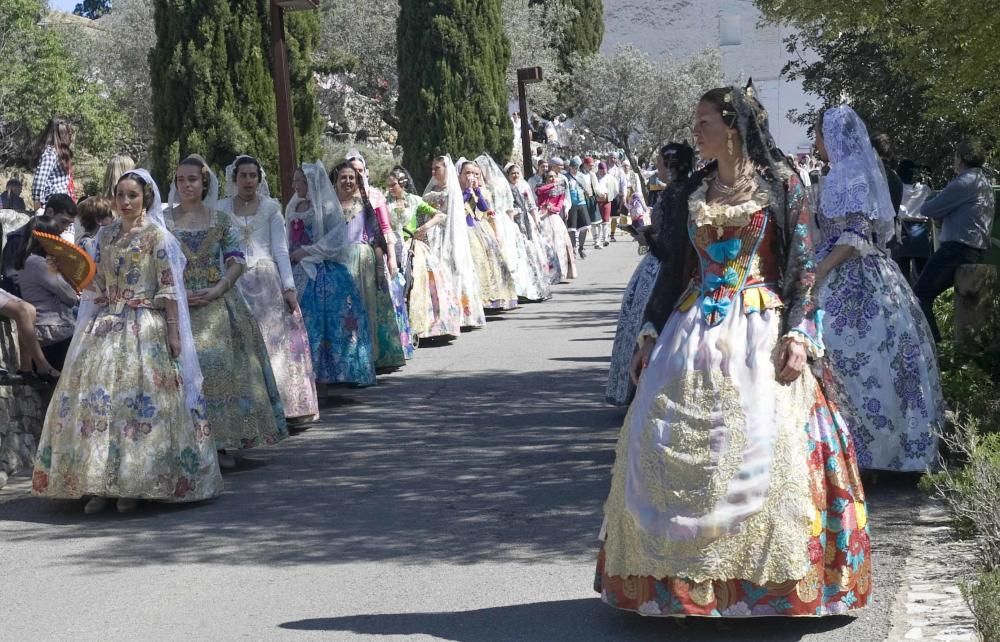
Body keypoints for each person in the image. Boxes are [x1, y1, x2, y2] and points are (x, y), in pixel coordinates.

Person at [595, 85, 870, 617]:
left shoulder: (782, 186)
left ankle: (763, 590)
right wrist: (649, 332)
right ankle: (679, 590)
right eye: (695, 123)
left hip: (761, 328)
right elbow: (674, 268)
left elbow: (804, 268)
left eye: (704, 122)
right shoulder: (691, 191)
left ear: (734, 127)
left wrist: (800, 334)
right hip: (690, 330)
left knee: (771, 442)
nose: (695, 132)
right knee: (656, 438)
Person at [31, 169, 223, 514]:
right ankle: (98, 485)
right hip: (106, 325)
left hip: (144, 326)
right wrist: (64, 267)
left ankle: (134, 484)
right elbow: (95, 282)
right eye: (120, 195)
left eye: (132, 195)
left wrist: (174, 332)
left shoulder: (157, 238)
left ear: (145, 198)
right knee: (98, 404)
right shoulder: (105, 237)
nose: (125, 201)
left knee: (136, 406)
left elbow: (167, 287)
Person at [814, 105, 943, 472]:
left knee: (848, 353)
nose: (816, 142)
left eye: (818, 135)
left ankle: (861, 452)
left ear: (832, 136)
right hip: (868, 271)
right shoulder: (848, 171)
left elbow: (855, 234)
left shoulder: (847, 174)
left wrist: (819, 270)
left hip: (850, 274)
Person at [165, 154, 286, 469]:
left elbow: (237, 259)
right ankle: (187, 442)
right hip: (179, 303)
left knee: (220, 367)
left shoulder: (219, 220)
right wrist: (175, 293)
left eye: (192, 179)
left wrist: (220, 287)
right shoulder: (164, 221)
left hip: (217, 301)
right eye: (180, 180)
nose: (186, 185)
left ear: (204, 182)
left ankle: (223, 441)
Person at [219, 155, 320, 423]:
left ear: (259, 179)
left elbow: (280, 250)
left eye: (253, 175)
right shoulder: (221, 210)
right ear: (234, 179)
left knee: (275, 345)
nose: (249, 181)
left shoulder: (271, 209)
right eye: (244, 176)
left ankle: (286, 407)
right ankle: (251, 410)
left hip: (266, 284)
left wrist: (288, 286)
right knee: (243, 347)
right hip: (234, 282)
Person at [605, 142, 694, 408]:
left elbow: (674, 242)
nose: (657, 166)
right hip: (655, 266)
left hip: (664, 269)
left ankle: (643, 390)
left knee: (647, 321)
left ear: (670, 163)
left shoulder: (678, 194)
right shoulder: (680, 192)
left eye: (660, 161)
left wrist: (648, 236)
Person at [286, 162, 375, 387]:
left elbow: (336, 237)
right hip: (298, 268)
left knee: (329, 319)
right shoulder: (293, 206)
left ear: (311, 182)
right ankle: (309, 375)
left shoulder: (326, 206)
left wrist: (308, 251)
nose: (296, 185)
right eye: (295, 180)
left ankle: (337, 371)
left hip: (322, 270)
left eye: (300, 181)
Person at [915, 138, 996, 342]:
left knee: (919, 296)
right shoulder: (983, 181)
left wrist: (936, 209)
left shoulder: (965, 181)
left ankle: (935, 347)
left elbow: (928, 208)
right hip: (973, 248)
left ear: (961, 158)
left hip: (956, 249)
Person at [333, 161, 408, 369]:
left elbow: (376, 236)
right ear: (336, 181)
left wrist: (380, 268)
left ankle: (368, 356)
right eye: (343, 178)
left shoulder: (364, 203)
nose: (348, 181)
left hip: (362, 261)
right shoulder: (329, 206)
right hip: (338, 262)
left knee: (365, 310)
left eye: (352, 177)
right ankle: (347, 358)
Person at [385, 166, 462, 340]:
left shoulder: (414, 201)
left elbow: (440, 215)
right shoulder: (385, 202)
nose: (390, 188)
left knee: (419, 281)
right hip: (393, 245)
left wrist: (424, 227)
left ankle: (424, 325)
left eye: (393, 185)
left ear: (402, 184)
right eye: (388, 185)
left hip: (411, 245)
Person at [476, 154, 550, 302]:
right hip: (497, 220)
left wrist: (510, 224)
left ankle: (518, 290)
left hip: (501, 221)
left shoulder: (496, 185)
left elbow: (509, 206)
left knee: (511, 256)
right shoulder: (490, 185)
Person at [423, 155, 486, 328]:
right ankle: (438, 316)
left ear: (446, 169)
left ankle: (459, 315)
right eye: (433, 169)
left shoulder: (452, 191)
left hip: (447, 235)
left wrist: (452, 242)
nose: (434, 171)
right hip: (431, 235)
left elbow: (455, 219)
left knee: (451, 271)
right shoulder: (430, 190)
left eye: (438, 168)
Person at [14, 216, 79, 371]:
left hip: (43, 331)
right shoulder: (39, 264)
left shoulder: (26, 261)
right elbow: (69, 296)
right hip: (55, 331)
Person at [457, 159, 519, 310]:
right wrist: (466, 192)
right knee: (476, 262)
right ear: (459, 175)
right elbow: (458, 206)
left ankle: (492, 298)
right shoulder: (457, 191)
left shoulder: (477, 190)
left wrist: (476, 191)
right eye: (467, 173)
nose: (471, 176)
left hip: (478, 227)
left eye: (474, 173)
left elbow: (484, 208)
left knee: (488, 262)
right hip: (463, 229)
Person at [1, 194, 76, 296]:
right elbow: (11, 277)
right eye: (63, 222)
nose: (65, 228)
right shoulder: (18, 239)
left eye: (69, 224)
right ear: (49, 212)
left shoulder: (56, 242)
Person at [506, 162, 561, 286]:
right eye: (512, 173)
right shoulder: (506, 187)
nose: (515, 176)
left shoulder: (524, 186)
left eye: (517, 173)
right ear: (508, 175)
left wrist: (536, 220)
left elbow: (531, 205)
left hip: (526, 220)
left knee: (533, 248)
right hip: (514, 221)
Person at [894, 159, 934, 284]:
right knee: (923, 275)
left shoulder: (896, 188)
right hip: (920, 232)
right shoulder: (925, 189)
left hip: (902, 231)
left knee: (902, 275)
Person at [534, 169, 577, 280]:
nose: (552, 178)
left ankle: (562, 273)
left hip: (554, 218)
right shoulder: (541, 188)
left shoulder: (560, 190)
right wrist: (553, 185)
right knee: (545, 246)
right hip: (542, 217)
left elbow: (558, 208)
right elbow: (539, 192)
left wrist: (550, 207)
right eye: (549, 176)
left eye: (554, 176)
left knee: (559, 246)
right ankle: (547, 273)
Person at [31, 118, 75, 210]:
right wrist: (38, 208)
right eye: (68, 133)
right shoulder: (50, 153)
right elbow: (39, 181)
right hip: (53, 205)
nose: (70, 137)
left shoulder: (60, 153)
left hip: (62, 203)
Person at [564, 157, 592, 257]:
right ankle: (573, 248)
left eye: (577, 167)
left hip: (581, 202)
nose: (575, 169)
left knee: (585, 227)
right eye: (573, 167)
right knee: (572, 229)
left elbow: (586, 188)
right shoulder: (565, 177)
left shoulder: (581, 176)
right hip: (571, 204)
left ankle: (581, 247)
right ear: (570, 167)